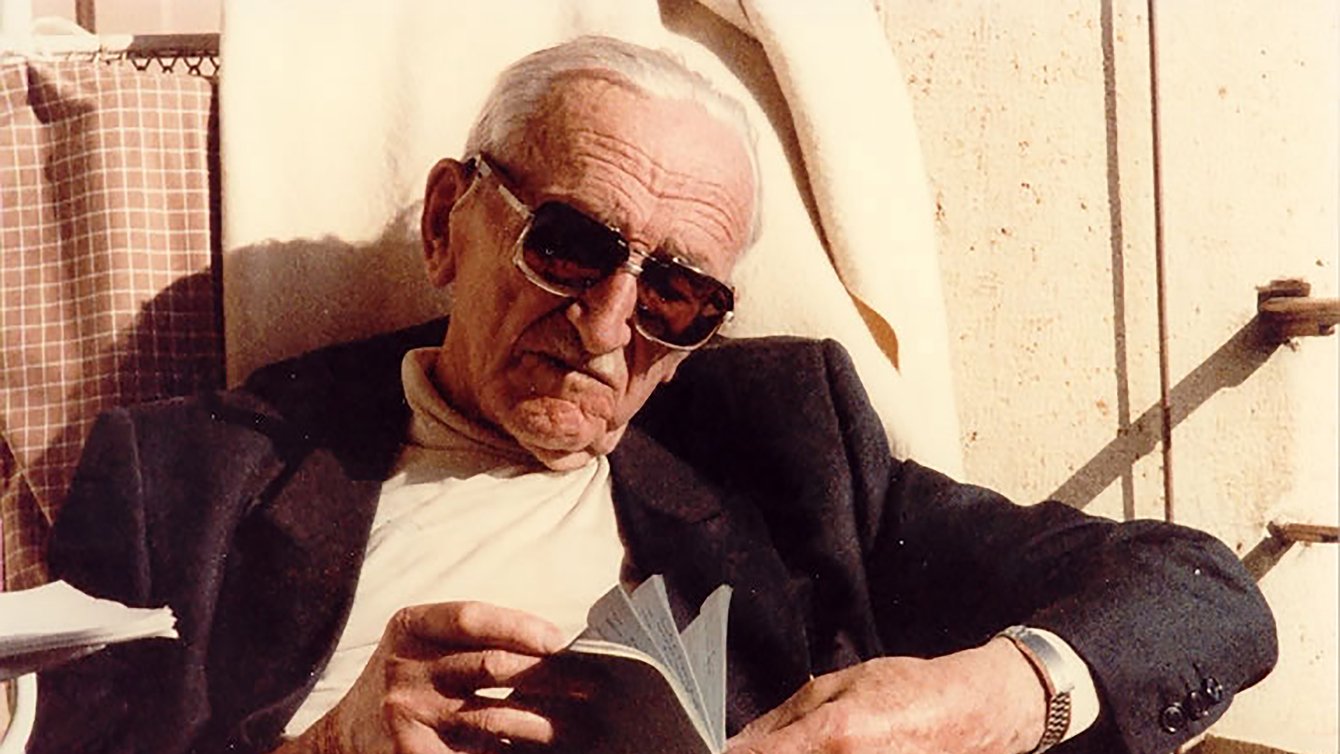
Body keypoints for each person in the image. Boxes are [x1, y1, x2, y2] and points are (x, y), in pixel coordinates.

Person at [29, 35, 1274, 754]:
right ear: (446, 221)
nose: (607, 323)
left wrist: (990, 696)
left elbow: (1198, 592)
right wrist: (321, 749)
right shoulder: (185, 473)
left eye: (676, 295)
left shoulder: (788, 445)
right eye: (570, 246)